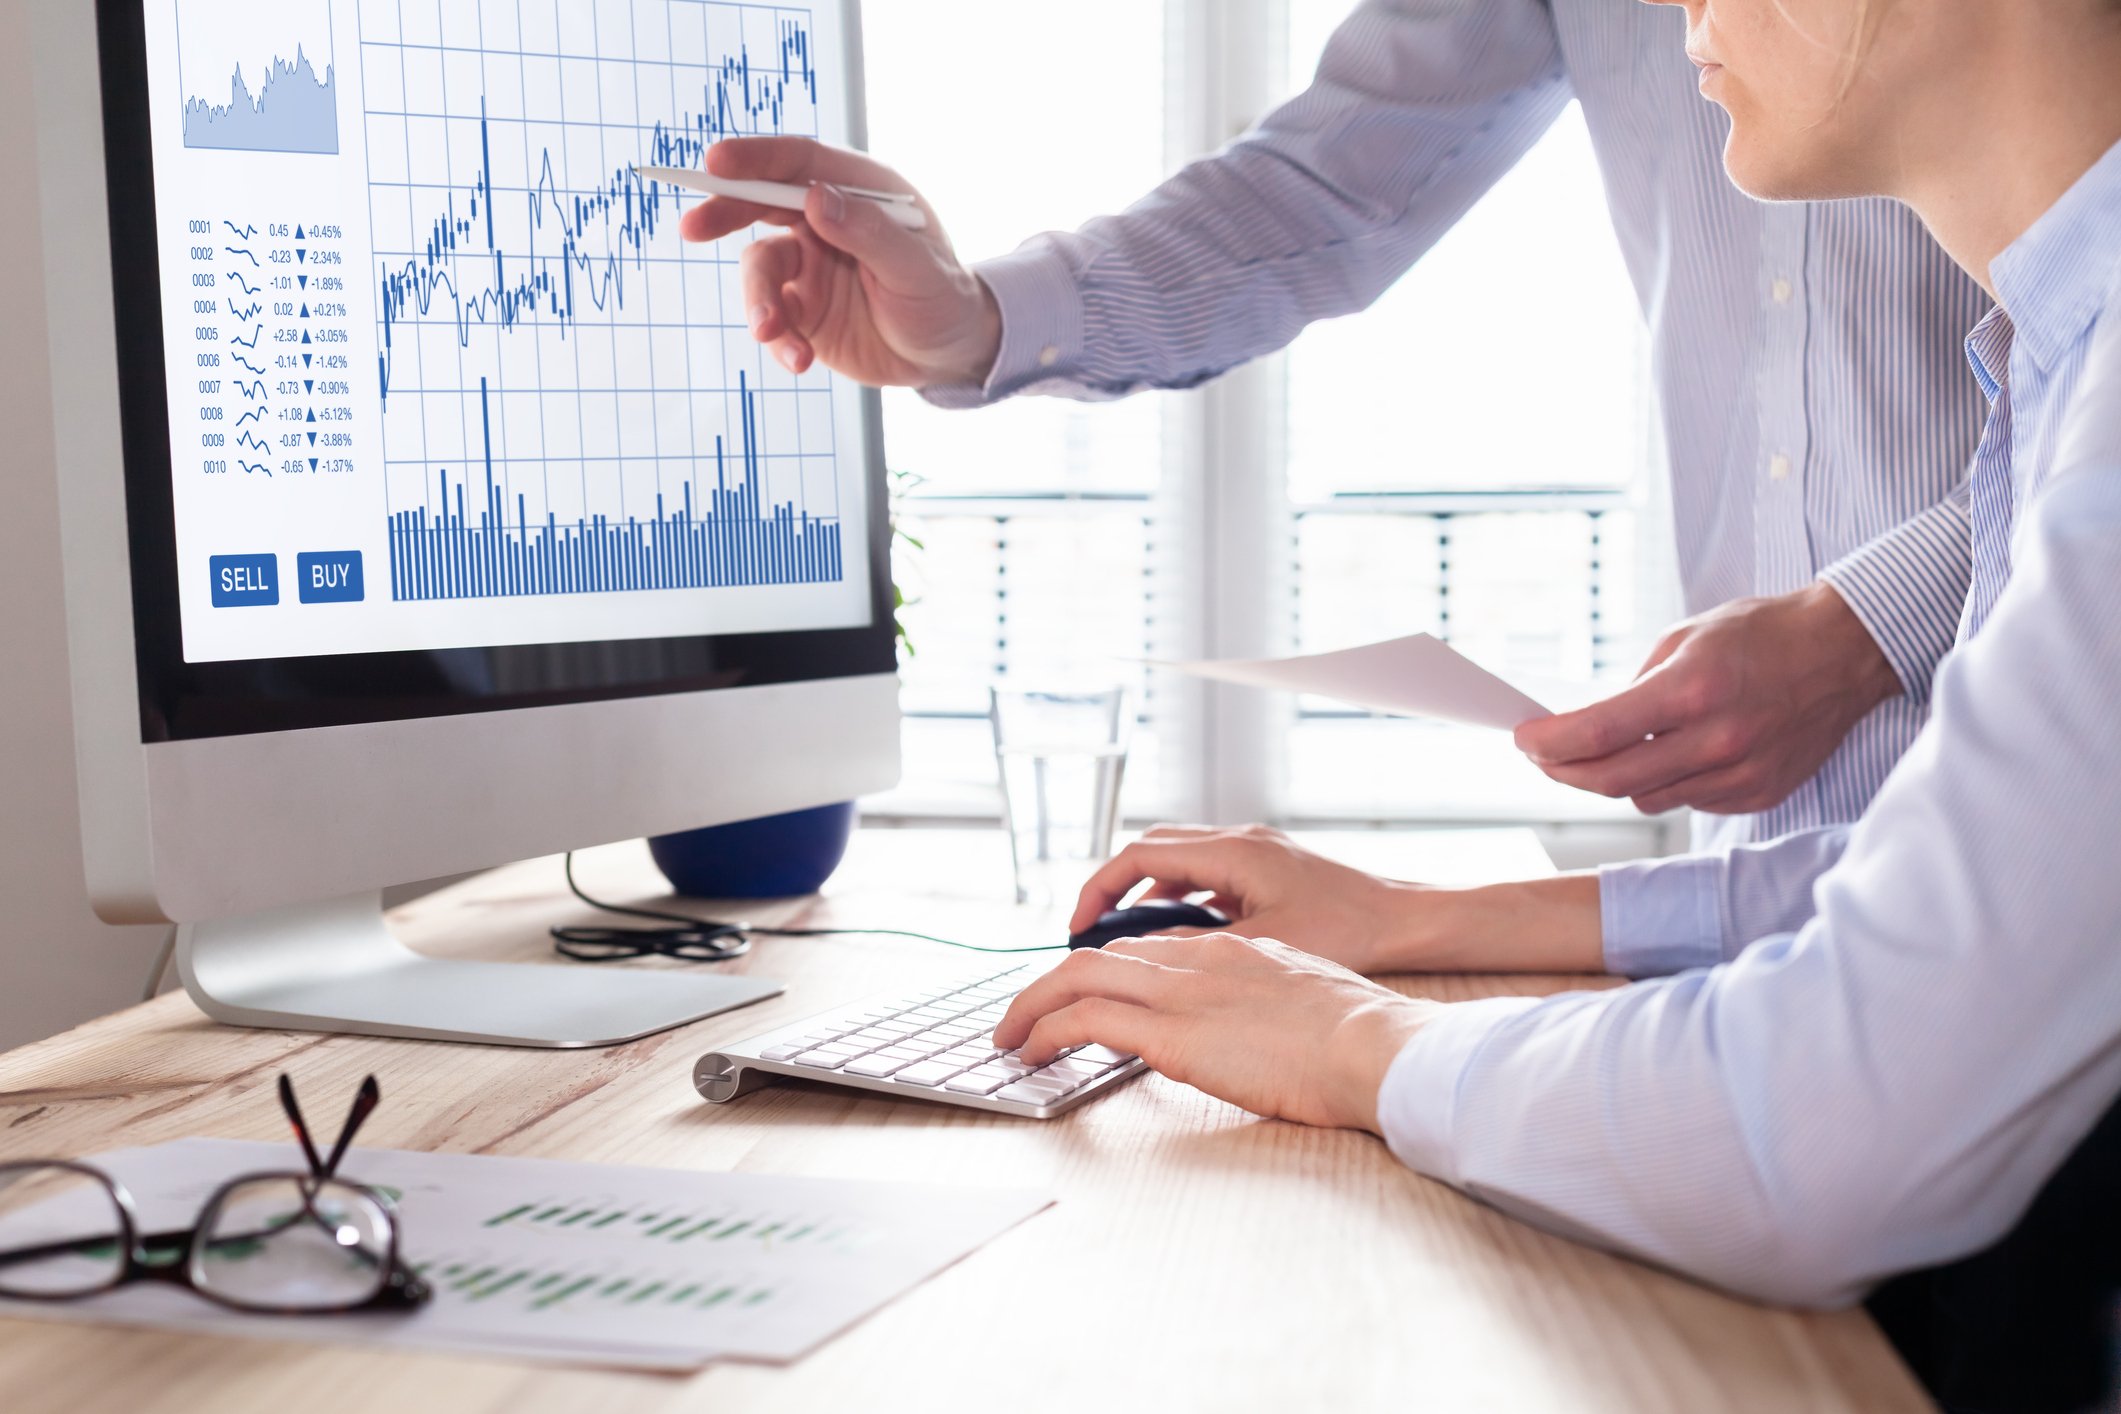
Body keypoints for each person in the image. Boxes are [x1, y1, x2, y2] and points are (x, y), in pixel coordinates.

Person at [987, 0, 2121, 1361]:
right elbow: (1938, 888)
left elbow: (1823, 1119)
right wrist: (1410, 920)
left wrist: (1352, 1044)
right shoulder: (2059, 361)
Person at [679, 0, 1988, 856]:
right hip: (1759, 851)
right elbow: (1328, 189)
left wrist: (1871, 624)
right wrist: (974, 319)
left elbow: (2079, 334)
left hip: (2035, 788)